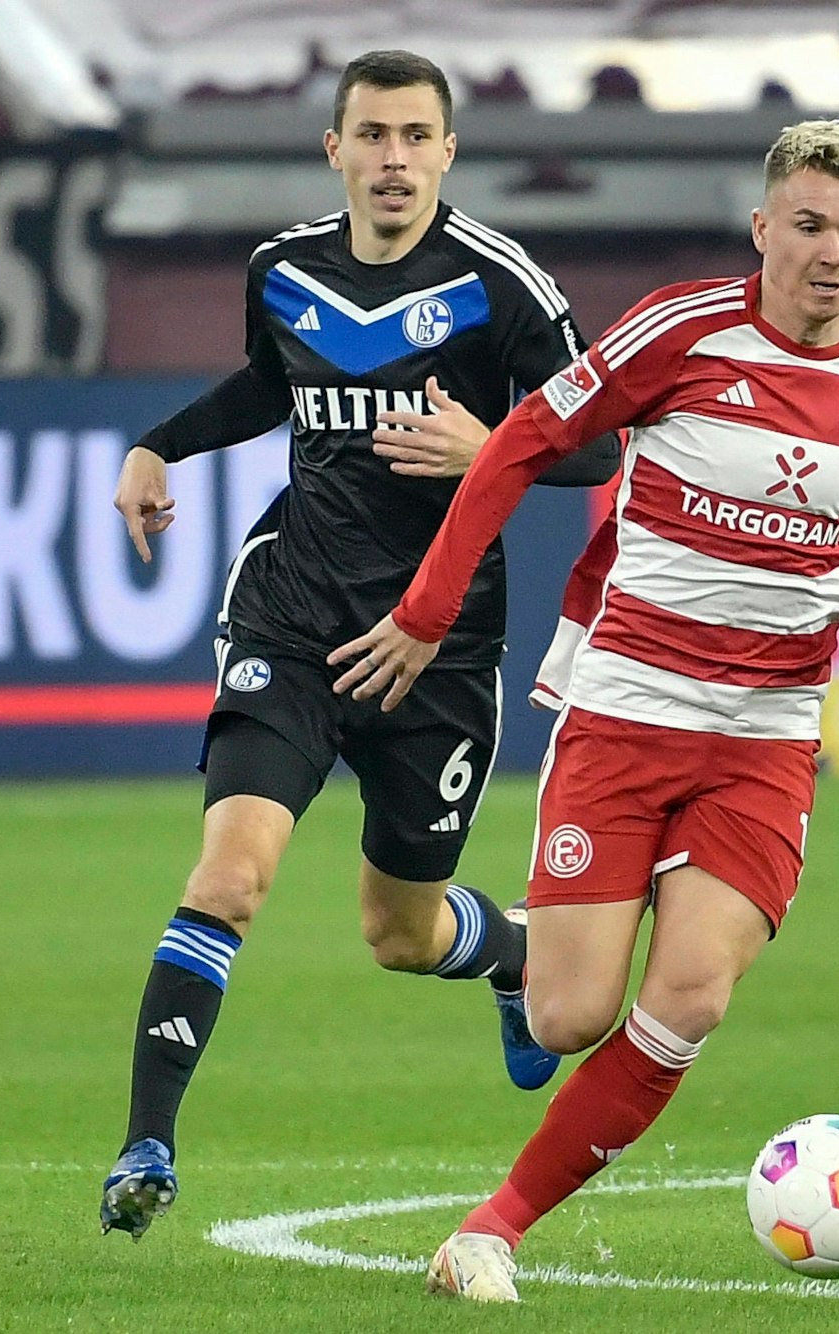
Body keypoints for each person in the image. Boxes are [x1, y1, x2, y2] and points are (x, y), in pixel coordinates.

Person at [330, 118, 839, 1303]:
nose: (833, 253)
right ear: (763, 227)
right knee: (567, 1015)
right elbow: (522, 442)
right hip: (629, 708)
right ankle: (519, 950)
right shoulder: (680, 331)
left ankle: (489, 1230)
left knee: (693, 991)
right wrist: (427, 606)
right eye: (809, 225)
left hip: (763, 735)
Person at [99, 49, 619, 1240]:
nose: (394, 157)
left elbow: (597, 444)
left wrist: (489, 447)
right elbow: (263, 385)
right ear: (334, 149)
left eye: (415, 136)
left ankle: (509, 953)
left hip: (438, 647)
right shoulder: (283, 270)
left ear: (447, 151)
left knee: (401, 930)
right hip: (293, 618)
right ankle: (147, 1145)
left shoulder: (501, 284)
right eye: (371, 135)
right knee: (230, 875)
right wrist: (156, 446)